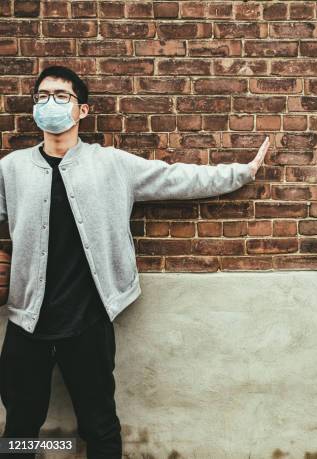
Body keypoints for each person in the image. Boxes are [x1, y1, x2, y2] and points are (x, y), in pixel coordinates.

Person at [0, 65, 269, 458]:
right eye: (42, 96)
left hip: (87, 322)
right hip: (26, 321)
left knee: (100, 427)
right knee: (21, 431)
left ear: (82, 111)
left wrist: (241, 173)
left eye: (61, 96)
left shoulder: (111, 164)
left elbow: (175, 178)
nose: (50, 103)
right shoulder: (11, 169)